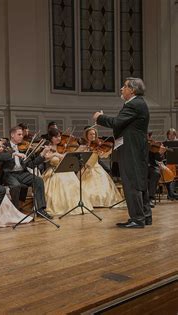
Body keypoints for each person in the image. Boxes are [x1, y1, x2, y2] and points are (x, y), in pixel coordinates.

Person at [93, 77, 151, 228]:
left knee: (132, 181)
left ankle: (137, 219)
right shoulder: (136, 103)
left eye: (124, 86)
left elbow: (117, 122)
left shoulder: (134, 104)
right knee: (138, 180)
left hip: (132, 148)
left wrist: (100, 117)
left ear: (132, 90)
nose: (121, 89)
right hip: (135, 147)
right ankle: (145, 216)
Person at [0, 126, 53, 219]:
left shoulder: (23, 147)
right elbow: (0, 157)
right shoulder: (5, 145)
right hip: (9, 174)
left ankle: (40, 210)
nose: (21, 136)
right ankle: (15, 211)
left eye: (22, 135)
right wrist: (14, 154)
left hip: (21, 173)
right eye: (19, 134)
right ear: (12, 135)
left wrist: (43, 154)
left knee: (38, 180)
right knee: (16, 185)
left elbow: (31, 164)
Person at [42, 128, 94, 216]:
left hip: (64, 169)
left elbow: (67, 157)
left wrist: (77, 151)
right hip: (54, 172)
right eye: (56, 137)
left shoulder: (62, 146)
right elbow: (45, 159)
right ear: (51, 137)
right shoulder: (47, 147)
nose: (59, 139)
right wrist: (54, 154)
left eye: (59, 136)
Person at [79, 127, 123, 207]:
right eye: (91, 134)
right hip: (86, 169)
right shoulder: (83, 146)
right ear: (86, 135)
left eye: (94, 134)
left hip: (96, 168)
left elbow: (103, 156)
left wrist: (108, 150)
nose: (93, 136)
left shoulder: (98, 145)